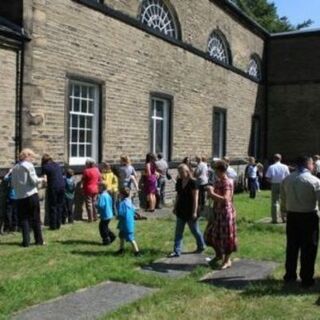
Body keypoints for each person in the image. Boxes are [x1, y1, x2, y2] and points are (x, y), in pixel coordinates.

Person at [281, 156, 320, 288]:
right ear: (308, 164)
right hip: (309, 216)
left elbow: (283, 197)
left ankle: (290, 275)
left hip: (292, 216)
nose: (314, 166)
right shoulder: (314, 181)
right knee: (309, 248)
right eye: (313, 164)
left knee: (292, 246)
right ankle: (307, 278)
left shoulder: (287, 179)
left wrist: (283, 211)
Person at [205, 160, 237, 269]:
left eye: (215, 169)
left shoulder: (226, 182)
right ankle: (218, 255)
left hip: (225, 213)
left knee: (226, 237)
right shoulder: (218, 181)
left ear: (220, 170)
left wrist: (212, 193)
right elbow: (216, 197)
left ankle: (226, 260)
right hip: (216, 212)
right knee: (210, 235)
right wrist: (211, 194)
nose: (214, 172)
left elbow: (226, 199)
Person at [168, 164, 205, 257]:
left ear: (187, 171)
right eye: (179, 172)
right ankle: (177, 251)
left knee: (195, 230)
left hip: (190, 209)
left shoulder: (193, 182)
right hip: (181, 209)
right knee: (178, 232)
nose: (180, 174)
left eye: (182, 172)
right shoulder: (179, 181)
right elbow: (178, 195)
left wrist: (194, 212)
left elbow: (195, 198)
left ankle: (201, 245)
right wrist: (175, 207)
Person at [11, 148, 45, 247]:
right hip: (31, 195)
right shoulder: (28, 166)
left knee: (24, 219)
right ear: (27, 156)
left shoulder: (15, 167)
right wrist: (42, 179)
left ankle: (26, 242)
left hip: (20, 197)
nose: (32, 159)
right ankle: (39, 240)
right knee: (35, 218)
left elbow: (13, 184)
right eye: (32, 157)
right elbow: (34, 180)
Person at [41, 154, 65, 230]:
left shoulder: (45, 167)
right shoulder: (57, 165)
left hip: (53, 187)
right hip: (62, 186)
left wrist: (44, 185)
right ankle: (58, 224)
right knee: (59, 206)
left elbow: (45, 179)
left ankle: (53, 225)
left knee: (53, 206)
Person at [265, 154, 290, 223]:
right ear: (281, 159)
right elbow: (288, 177)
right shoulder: (285, 166)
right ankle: (284, 218)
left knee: (274, 201)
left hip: (274, 184)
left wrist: (272, 181)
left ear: (274, 159)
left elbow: (267, 177)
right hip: (283, 184)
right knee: (284, 200)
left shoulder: (271, 167)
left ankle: (275, 218)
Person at [116, 187, 140, 256]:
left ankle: (137, 252)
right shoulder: (129, 201)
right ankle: (121, 249)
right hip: (128, 223)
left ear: (122, 195)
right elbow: (134, 210)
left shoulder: (122, 203)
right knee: (121, 236)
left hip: (125, 224)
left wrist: (117, 216)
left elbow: (120, 213)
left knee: (131, 239)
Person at [3, 167, 18, 232]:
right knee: (15, 212)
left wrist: (9, 172)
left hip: (11, 197)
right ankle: (15, 226)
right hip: (17, 197)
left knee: (9, 212)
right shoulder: (18, 177)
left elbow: (5, 178)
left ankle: (9, 226)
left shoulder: (11, 177)